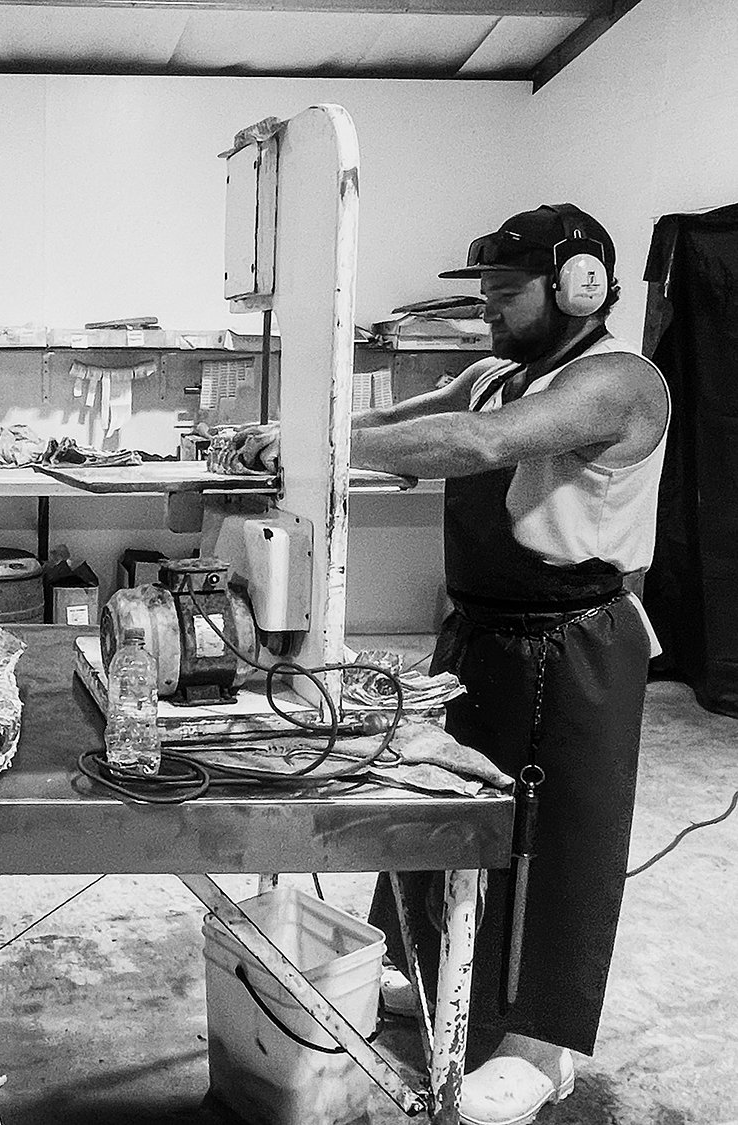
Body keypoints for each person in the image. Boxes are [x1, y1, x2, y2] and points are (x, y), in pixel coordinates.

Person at [236, 204, 668, 1124]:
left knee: (556, 841)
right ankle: (425, 971)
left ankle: (540, 1049)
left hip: (576, 640)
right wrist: (282, 428)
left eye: (507, 295)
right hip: (479, 631)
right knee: (434, 805)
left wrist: (321, 447)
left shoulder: (620, 382)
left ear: (578, 284)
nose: (489, 314)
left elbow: (483, 447)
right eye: (486, 297)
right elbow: (393, 420)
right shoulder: (490, 372)